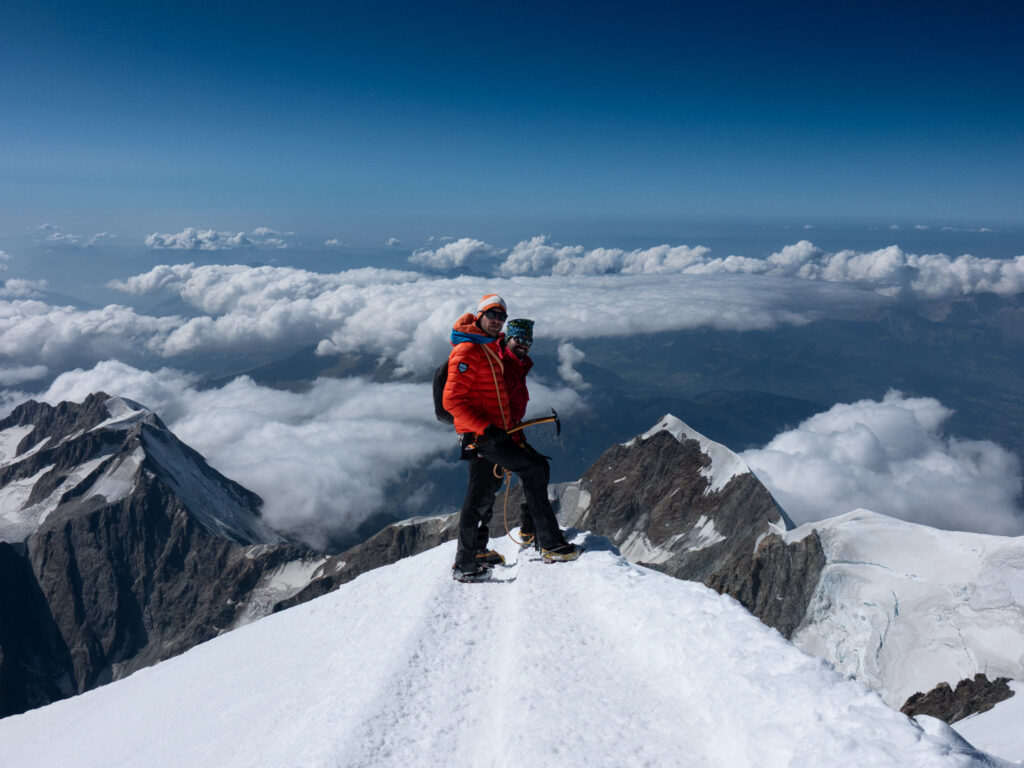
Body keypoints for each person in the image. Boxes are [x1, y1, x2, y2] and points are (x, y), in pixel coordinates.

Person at [442, 294, 579, 581]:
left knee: (483, 492)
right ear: (479, 315)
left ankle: (472, 557)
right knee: (532, 469)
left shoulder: (487, 349)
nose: (496, 320)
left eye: (501, 316)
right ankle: (548, 542)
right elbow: (452, 401)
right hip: (483, 435)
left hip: (492, 433)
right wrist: (486, 429)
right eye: (492, 314)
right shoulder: (468, 350)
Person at [498, 318, 539, 546]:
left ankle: (529, 528)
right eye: (520, 339)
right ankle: (471, 553)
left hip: (508, 433)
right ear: (509, 337)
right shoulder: (503, 365)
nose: (525, 344)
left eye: (529, 340)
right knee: (535, 470)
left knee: (536, 469)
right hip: (497, 436)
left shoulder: (515, 364)